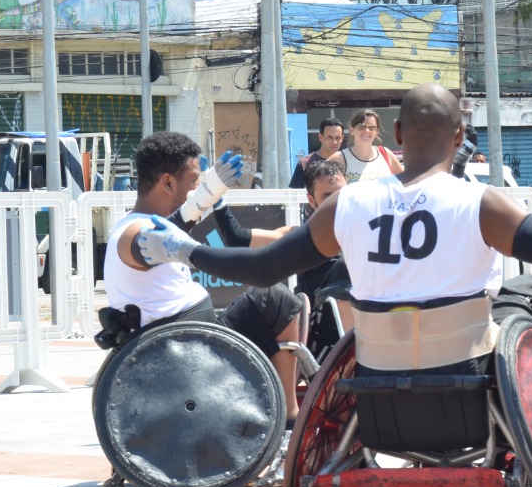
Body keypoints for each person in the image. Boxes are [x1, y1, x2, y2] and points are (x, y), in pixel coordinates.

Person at [136, 83, 532, 380]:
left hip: (374, 376)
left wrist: (186, 247)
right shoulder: (479, 203)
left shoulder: (345, 207)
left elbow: (263, 269)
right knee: (530, 294)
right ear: (460, 138)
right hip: (463, 372)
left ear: (398, 136)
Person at [103, 131, 306, 431]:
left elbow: (170, 227)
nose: (197, 185)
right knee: (276, 300)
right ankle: (289, 421)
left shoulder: (137, 222)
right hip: (186, 348)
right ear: (168, 183)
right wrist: (189, 248)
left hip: (188, 336)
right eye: (194, 179)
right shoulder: (135, 234)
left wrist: (204, 197)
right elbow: (146, 243)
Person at [213, 158, 355, 337]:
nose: (338, 201)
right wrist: (216, 198)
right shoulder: (301, 236)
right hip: (318, 332)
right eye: (328, 196)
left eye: (342, 193)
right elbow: (238, 238)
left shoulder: (367, 228)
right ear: (311, 200)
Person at [341, 109, 403, 183]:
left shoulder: (386, 154)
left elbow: (407, 182)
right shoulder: (340, 158)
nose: (367, 130)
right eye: (361, 126)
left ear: (376, 132)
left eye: (371, 127)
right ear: (352, 130)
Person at [288, 117, 346, 189]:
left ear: (342, 138)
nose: (334, 142)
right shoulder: (304, 164)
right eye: (329, 137)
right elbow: (296, 195)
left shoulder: (348, 161)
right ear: (320, 137)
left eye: (337, 137)